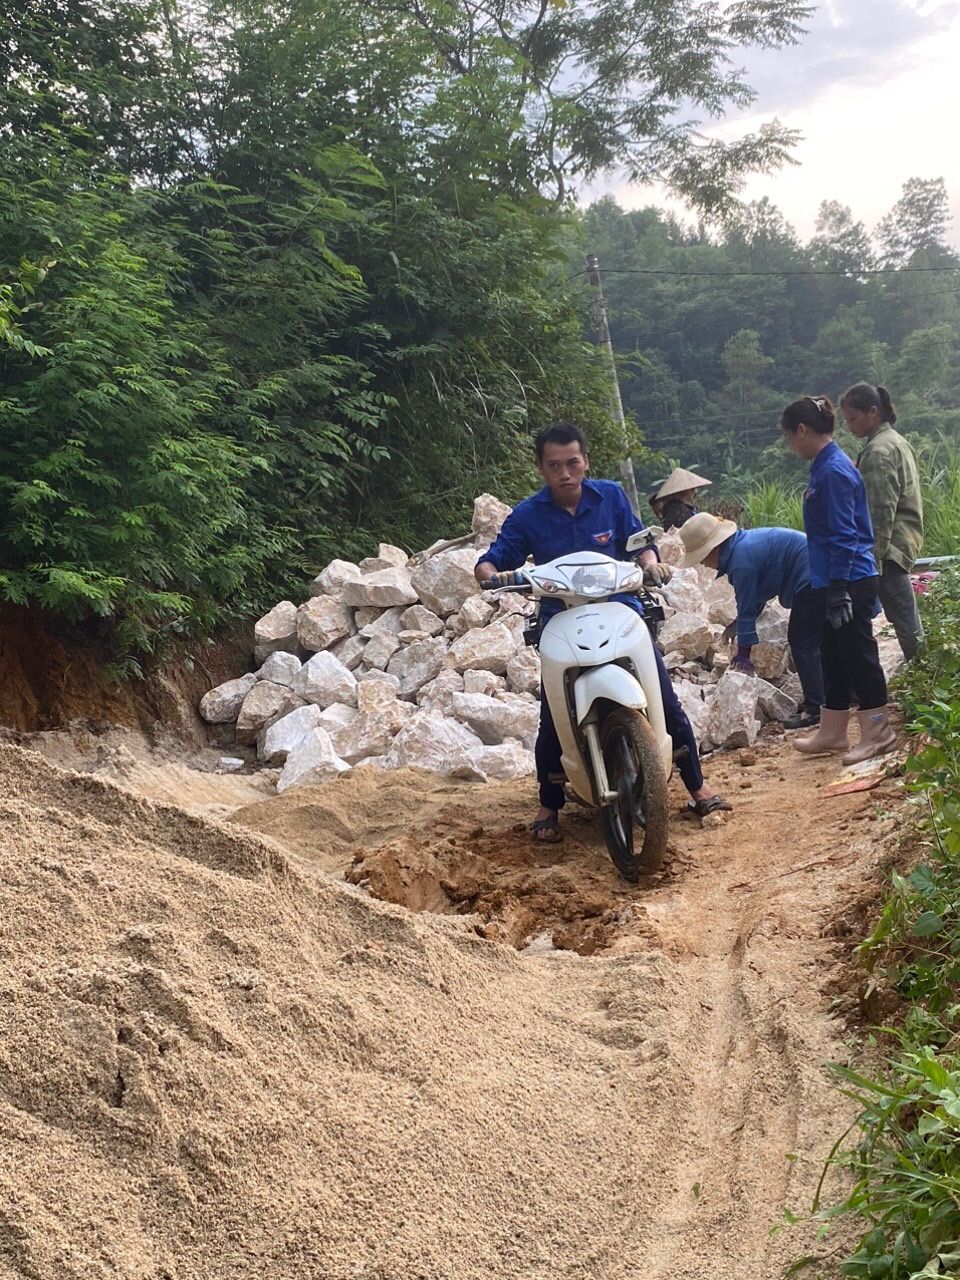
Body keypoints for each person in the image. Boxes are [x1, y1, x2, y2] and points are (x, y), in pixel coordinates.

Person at [475, 422, 731, 843]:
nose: (565, 473)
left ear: (585, 461)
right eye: (554, 465)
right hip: (560, 615)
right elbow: (494, 558)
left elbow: (639, 544)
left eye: (572, 463)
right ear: (541, 468)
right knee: (552, 714)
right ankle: (548, 804)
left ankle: (697, 788)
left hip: (620, 607)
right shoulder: (527, 514)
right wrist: (491, 576)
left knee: (664, 697)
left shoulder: (610, 496)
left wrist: (651, 564)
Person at [779, 395, 896, 763]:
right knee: (832, 654)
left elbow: (845, 534)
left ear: (802, 430)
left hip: (851, 579)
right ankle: (833, 731)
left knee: (858, 656)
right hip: (830, 579)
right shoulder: (822, 467)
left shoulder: (834, 471)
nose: (791, 445)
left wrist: (840, 588)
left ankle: (878, 732)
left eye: (790, 437)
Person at [677, 512, 823, 730]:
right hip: (817, 567)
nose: (705, 565)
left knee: (802, 641)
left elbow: (746, 607)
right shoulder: (742, 547)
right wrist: (736, 626)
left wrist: (743, 655)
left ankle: (815, 708)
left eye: (703, 558)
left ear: (714, 548)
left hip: (811, 574)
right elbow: (756, 599)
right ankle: (837, 693)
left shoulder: (740, 563)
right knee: (820, 640)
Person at [840, 382, 924, 661]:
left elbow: (879, 512)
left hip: (889, 550)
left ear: (873, 412)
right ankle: (929, 673)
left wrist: (871, 562)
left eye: (853, 419)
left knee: (906, 622)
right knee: (905, 617)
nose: (849, 426)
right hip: (902, 541)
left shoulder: (878, 452)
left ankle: (928, 675)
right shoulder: (895, 441)